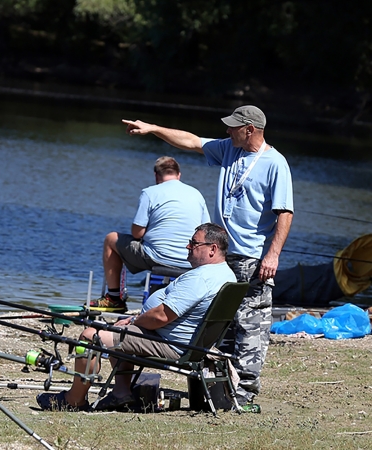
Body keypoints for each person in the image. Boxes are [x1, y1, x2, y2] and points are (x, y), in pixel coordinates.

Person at [123, 105, 294, 407]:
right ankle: (223, 389)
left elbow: (285, 213)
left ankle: (246, 393)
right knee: (220, 323)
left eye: (233, 127)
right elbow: (191, 141)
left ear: (250, 130)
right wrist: (153, 128)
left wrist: (273, 255)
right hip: (223, 257)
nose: (227, 131)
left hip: (253, 258)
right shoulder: (230, 149)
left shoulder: (274, 163)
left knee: (251, 324)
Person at [38, 223, 235, 411]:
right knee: (115, 328)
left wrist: (134, 321)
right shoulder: (226, 275)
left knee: (90, 336)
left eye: (194, 243)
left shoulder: (200, 278)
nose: (188, 246)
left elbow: (160, 317)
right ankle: (121, 392)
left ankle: (74, 400)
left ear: (212, 249)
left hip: (172, 344)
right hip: (188, 343)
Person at [89, 156, 209, 313]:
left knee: (111, 239)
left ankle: (113, 299)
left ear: (156, 176)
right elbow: (206, 231)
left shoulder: (149, 193)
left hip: (158, 257)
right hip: (190, 260)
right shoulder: (197, 194)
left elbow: (137, 233)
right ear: (179, 175)